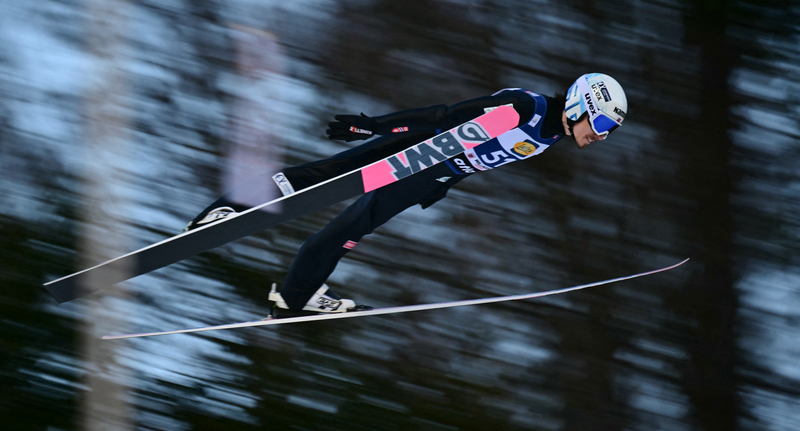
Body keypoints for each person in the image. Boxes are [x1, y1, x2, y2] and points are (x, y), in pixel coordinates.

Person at [186, 73, 628, 315]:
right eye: (602, 125)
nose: (601, 137)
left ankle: (295, 297)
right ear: (578, 106)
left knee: (351, 227)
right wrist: (376, 126)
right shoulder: (525, 108)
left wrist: (442, 184)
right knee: (323, 176)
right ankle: (226, 210)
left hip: (431, 176)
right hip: (419, 150)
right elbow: (444, 116)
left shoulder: (551, 135)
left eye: (609, 132)